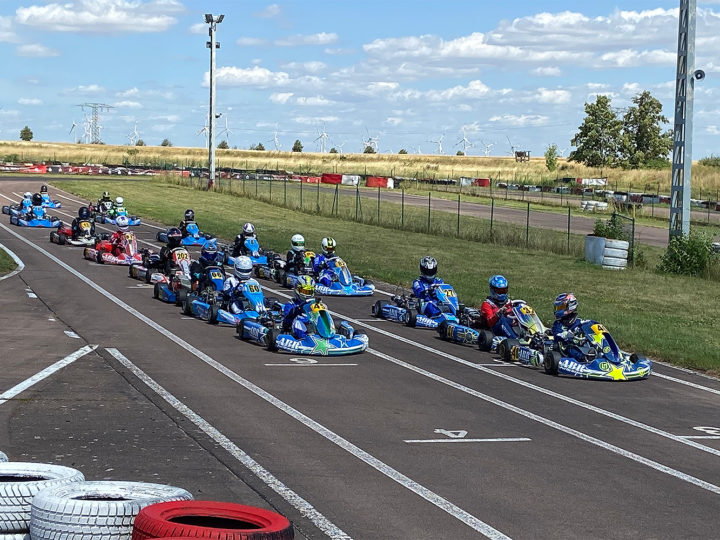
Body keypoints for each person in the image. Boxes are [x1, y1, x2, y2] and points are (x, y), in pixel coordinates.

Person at [551, 293, 587, 361]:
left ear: (570, 306)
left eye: (561, 307)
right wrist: (567, 335)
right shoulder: (558, 323)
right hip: (564, 348)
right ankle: (583, 358)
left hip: (580, 345)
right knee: (570, 348)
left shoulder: (579, 322)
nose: (558, 310)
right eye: (557, 308)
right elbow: (557, 335)